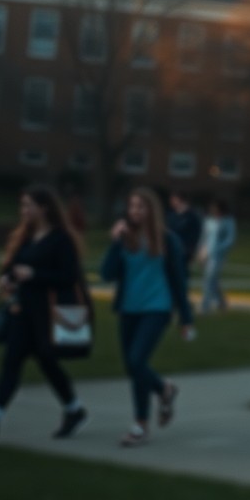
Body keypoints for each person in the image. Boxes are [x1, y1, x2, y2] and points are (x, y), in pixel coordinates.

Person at [0, 186, 89, 446]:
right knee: (11, 362)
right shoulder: (25, 237)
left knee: (47, 362)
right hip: (21, 311)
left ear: (44, 208)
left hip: (47, 315)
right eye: (22, 206)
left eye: (28, 205)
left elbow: (69, 277)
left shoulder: (61, 239)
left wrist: (35, 275)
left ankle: (74, 409)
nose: (24, 211)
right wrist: (7, 279)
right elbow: (10, 267)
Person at [100, 187, 195, 447]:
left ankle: (146, 416)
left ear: (152, 210)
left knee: (136, 360)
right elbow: (106, 274)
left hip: (157, 309)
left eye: (141, 207)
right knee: (134, 368)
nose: (135, 211)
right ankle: (160, 396)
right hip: (128, 310)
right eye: (132, 206)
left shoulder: (167, 240)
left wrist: (186, 318)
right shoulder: (125, 238)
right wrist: (115, 241)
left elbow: (178, 281)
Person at [199, 198, 236, 314]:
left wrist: (219, 249)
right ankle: (222, 302)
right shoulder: (209, 220)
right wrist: (201, 251)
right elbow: (204, 237)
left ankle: (205, 306)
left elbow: (230, 239)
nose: (212, 209)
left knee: (208, 279)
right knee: (213, 280)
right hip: (207, 254)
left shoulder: (228, 221)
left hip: (218, 256)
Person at [167, 190, 204, 274]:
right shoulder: (172, 216)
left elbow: (197, 233)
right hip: (172, 248)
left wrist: (192, 249)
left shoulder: (191, 216)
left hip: (185, 249)